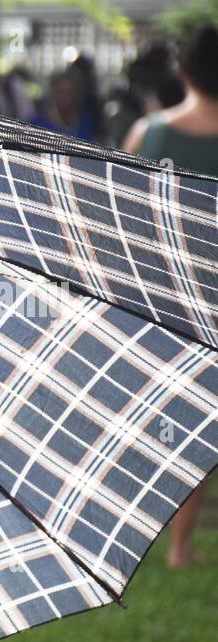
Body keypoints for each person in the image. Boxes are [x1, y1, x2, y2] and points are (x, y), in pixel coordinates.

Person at [122, 25, 218, 568]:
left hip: (164, 293)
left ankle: (172, 540)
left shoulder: (149, 133)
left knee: (179, 419)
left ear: (182, 72)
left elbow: (120, 214)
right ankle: (180, 546)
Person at [31, 69, 97, 141]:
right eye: (60, 92)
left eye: (70, 92)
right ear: (53, 93)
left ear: (78, 94)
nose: (65, 97)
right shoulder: (37, 123)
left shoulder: (85, 122)